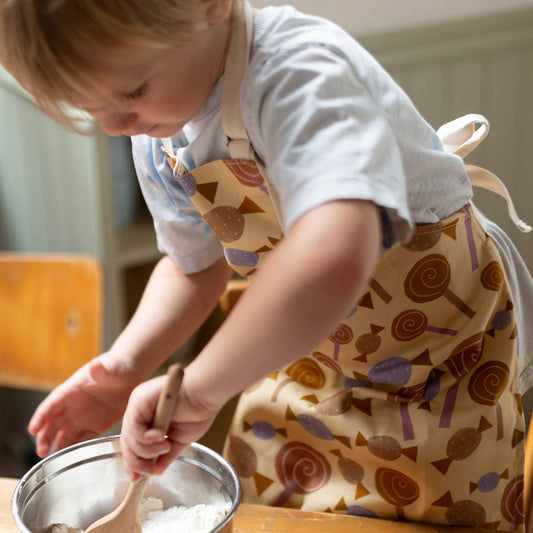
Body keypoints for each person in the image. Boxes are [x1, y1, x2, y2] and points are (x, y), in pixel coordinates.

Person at [1, 0, 532, 528]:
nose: (116, 125)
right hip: (310, 364)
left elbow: (332, 260)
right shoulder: (159, 134)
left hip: (441, 369)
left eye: (132, 90)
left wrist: (198, 389)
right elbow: (192, 266)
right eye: (88, 107)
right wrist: (124, 365)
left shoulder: (301, 74)